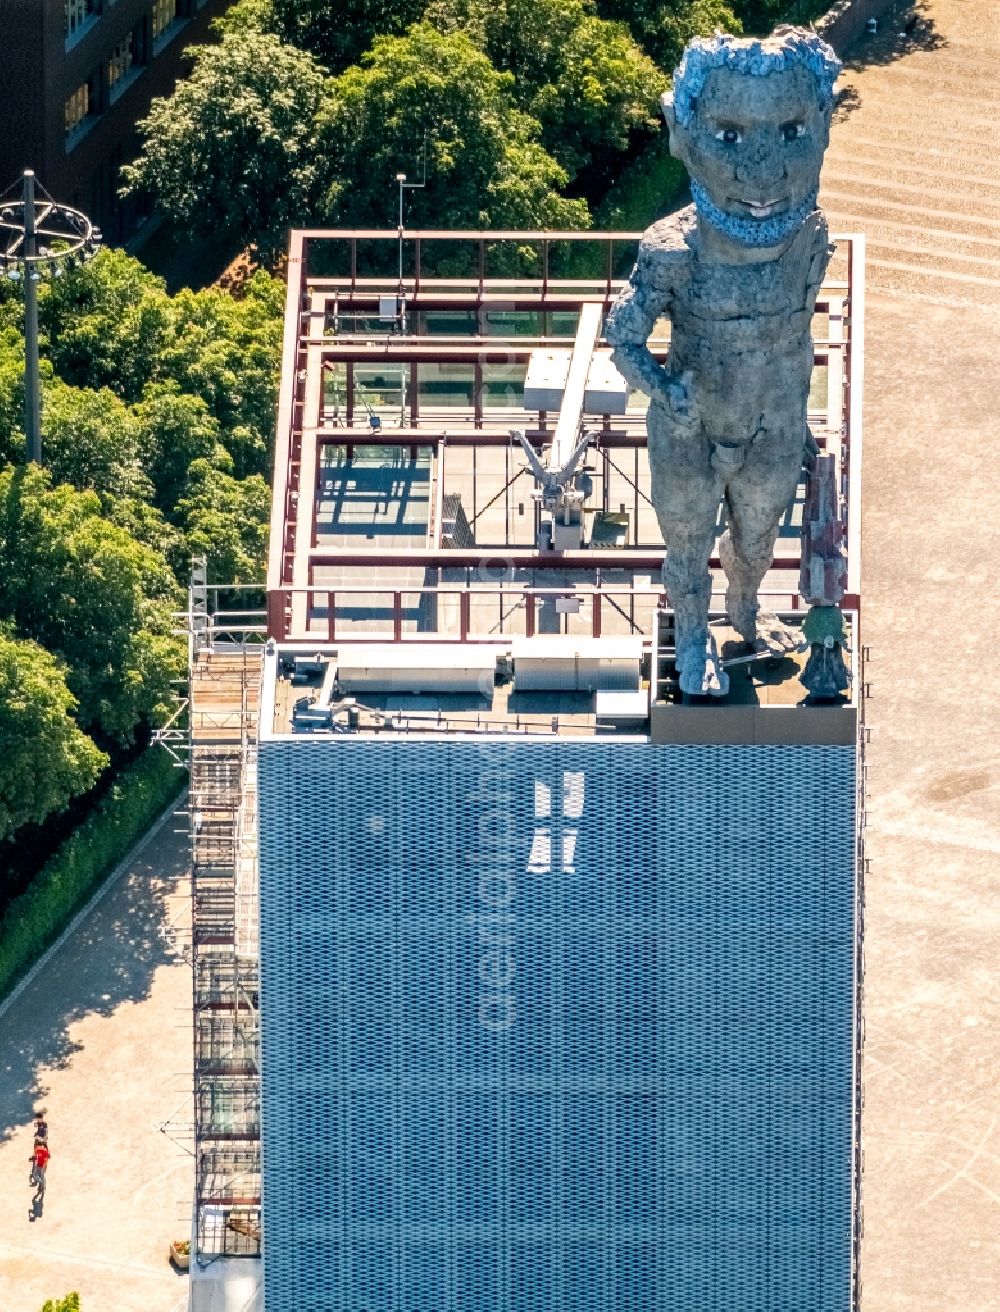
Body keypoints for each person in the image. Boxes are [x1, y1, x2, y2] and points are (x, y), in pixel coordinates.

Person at [606, 28, 841, 696]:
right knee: (686, 544)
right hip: (692, 424)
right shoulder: (672, 250)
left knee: (759, 540)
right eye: (730, 136)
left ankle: (743, 607)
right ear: (682, 133)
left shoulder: (810, 237)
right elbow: (623, 337)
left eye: (792, 131)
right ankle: (691, 635)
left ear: (822, 127)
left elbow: (797, 337)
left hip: (773, 422)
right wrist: (662, 389)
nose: (762, 170)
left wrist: (799, 414)